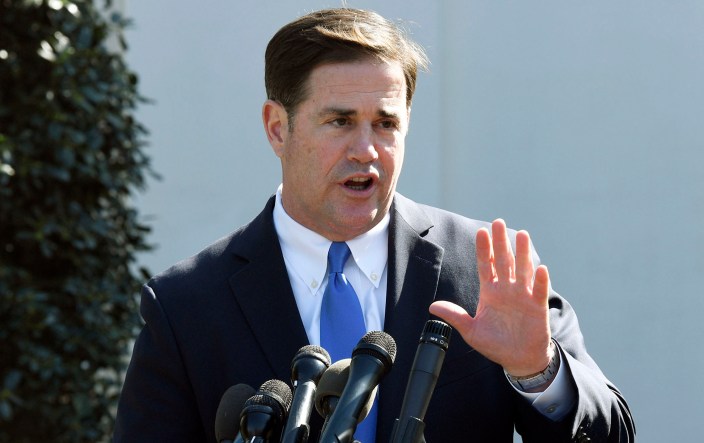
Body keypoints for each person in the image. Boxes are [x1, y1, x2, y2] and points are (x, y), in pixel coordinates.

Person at [114, 8, 634, 442]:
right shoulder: (186, 306)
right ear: (278, 127)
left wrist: (537, 371)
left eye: (386, 124)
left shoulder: (485, 269)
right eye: (340, 121)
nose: (366, 150)